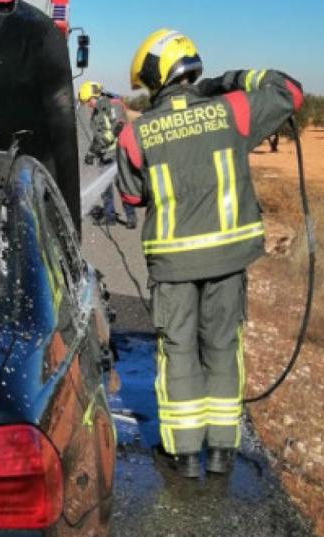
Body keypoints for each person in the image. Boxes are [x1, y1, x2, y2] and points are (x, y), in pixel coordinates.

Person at [115, 29, 303, 478]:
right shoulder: (233, 109)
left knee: (177, 350)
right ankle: (221, 451)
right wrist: (230, 81)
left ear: (156, 76)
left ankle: (185, 456)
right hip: (227, 260)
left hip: (173, 264)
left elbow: (133, 196)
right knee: (222, 346)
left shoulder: (135, 134)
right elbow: (288, 90)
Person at [79, 81, 137, 229]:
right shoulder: (96, 114)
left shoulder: (114, 104)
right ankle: (109, 216)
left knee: (123, 186)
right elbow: (97, 138)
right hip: (104, 155)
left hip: (118, 153)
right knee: (105, 189)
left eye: (89, 101)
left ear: (95, 96)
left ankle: (131, 217)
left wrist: (106, 141)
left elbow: (119, 125)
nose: (89, 105)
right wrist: (91, 153)